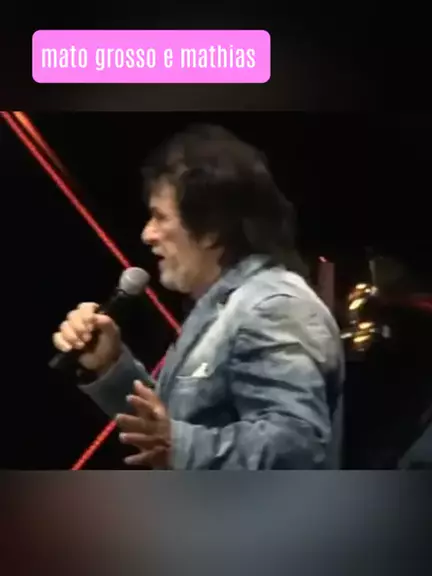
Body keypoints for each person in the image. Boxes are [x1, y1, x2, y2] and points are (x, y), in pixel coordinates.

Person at [52, 124, 344, 469]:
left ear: (210, 229)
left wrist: (180, 444)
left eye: (160, 217)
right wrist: (110, 365)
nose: (147, 234)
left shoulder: (274, 306)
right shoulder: (220, 310)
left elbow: (297, 446)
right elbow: (166, 429)